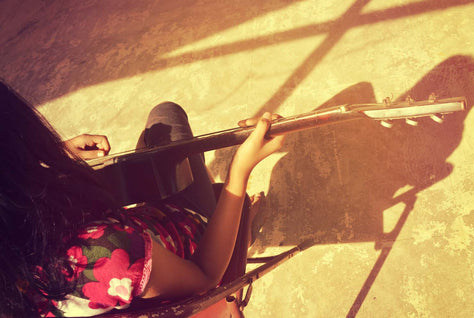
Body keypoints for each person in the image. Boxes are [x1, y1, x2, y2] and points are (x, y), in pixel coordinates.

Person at [0, 80, 284, 317]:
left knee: (156, 159)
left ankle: (230, 212)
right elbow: (206, 276)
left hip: (141, 259)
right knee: (167, 116)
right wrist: (240, 171)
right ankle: (236, 227)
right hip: (188, 245)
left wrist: (48, 162)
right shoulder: (101, 256)